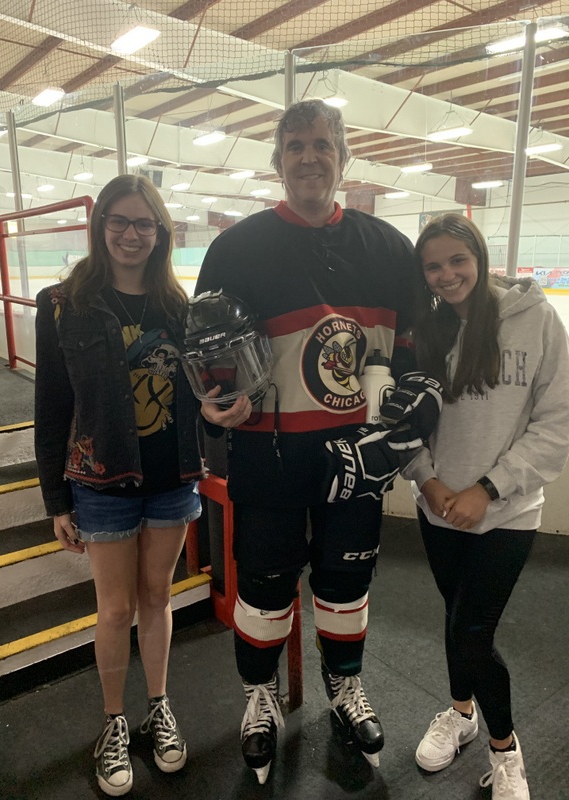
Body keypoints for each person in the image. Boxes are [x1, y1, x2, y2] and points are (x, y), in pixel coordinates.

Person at [194, 99, 417, 783]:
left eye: (322, 145)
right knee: (264, 587)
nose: (309, 157)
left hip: (358, 460)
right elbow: (205, 362)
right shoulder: (234, 250)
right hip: (271, 457)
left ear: (343, 157)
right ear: (278, 161)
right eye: (295, 146)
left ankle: (344, 685)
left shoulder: (391, 249)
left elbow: (416, 355)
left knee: (347, 582)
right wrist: (213, 408)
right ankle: (259, 696)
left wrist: (398, 432)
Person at [34, 174, 205, 796]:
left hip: (171, 478)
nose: (132, 234)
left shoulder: (179, 308)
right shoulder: (63, 303)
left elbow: (204, 390)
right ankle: (113, 722)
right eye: (120, 221)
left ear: (160, 233)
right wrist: (56, 499)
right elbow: (52, 405)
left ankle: (158, 706)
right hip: (101, 481)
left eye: (144, 224)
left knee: (157, 598)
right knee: (115, 609)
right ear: (100, 225)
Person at [403, 213, 569, 800]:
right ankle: (461, 713)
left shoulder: (536, 320)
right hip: (438, 507)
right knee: (456, 618)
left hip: (507, 512)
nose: (447, 275)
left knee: (473, 631)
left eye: (457, 260)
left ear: (479, 256)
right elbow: (403, 419)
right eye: (433, 266)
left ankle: (505, 749)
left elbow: (557, 423)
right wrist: (427, 481)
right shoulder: (425, 330)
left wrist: (489, 489)